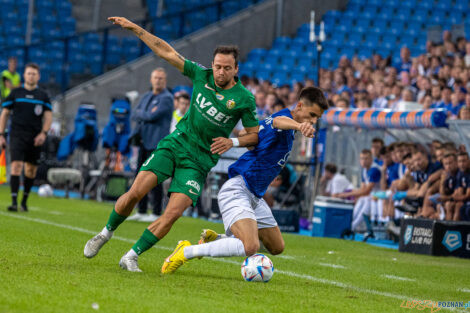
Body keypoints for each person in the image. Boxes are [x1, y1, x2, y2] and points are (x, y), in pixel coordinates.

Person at [83, 16, 259, 272]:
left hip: (199, 162)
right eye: (218, 66)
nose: (221, 72)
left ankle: (131, 255)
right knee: (135, 192)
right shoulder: (201, 75)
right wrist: (136, 29)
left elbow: (253, 136)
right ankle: (105, 233)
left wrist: (231, 140)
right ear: (212, 64)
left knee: (173, 213)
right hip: (176, 144)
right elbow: (166, 51)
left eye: (227, 68)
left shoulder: (244, 99)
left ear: (236, 69)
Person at [160, 87, 328, 274]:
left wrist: (244, 138)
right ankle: (186, 251)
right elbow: (278, 121)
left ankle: (217, 240)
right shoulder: (283, 120)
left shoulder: (284, 130)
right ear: (299, 105)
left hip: (254, 196)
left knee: (276, 247)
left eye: (317, 118)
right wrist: (299, 126)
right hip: (237, 189)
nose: (313, 121)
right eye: (312, 114)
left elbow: (251, 133)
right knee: (250, 247)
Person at [0, 63, 52, 212]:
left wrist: (43, 134)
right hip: (17, 135)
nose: (31, 76)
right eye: (29, 73)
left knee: (30, 170)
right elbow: (4, 114)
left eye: (34, 74)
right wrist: (1, 134)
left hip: (35, 138)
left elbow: (48, 117)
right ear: (24, 75)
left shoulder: (43, 96)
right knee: (16, 166)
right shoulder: (15, 93)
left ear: (38, 76)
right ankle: (14, 201)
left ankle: (24, 201)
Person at [126, 68, 173, 222]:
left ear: (165, 80)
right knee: (139, 176)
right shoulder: (146, 96)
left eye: (160, 78)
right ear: (151, 79)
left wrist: (143, 114)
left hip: (156, 143)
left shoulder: (167, 98)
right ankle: (141, 209)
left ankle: (156, 211)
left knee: (154, 178)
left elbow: (153, 115)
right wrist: (144, 114)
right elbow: (134, 113)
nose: (158, 80)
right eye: (155, 78)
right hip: (143, 141)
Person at [334, 150, 381, 241]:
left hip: (379, 196)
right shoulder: (364, 170)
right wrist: (354, 197)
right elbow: (362, 189)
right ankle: (348, 225)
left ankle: (351, 227)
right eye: (361, 158)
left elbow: (366, 191)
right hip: (370, 196)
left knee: (366, 200)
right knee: (361, 201)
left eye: (366, 158)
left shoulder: (374, 169)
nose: (363, 161)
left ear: (371, 159)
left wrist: (345, 195)